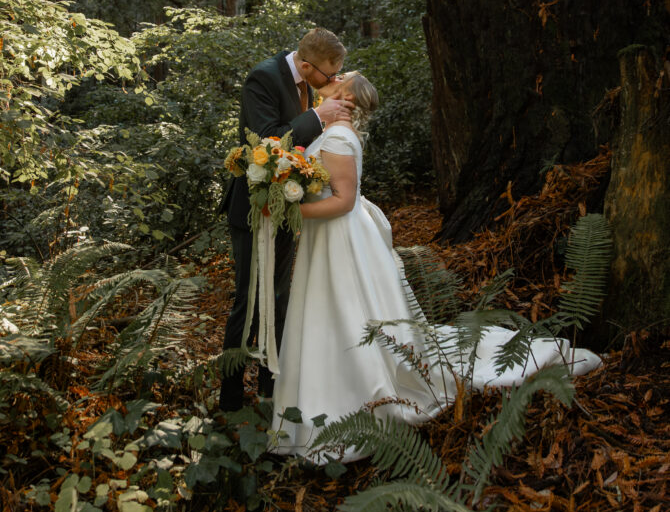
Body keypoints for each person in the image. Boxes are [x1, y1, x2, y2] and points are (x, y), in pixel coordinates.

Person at [270, 72, 601, 462]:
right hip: (330, 237)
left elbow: (342, 201)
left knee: (343, 312)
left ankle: (350, 399)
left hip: (339, 236)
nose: (335, 74)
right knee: (333, 313)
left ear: (347, 98)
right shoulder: (331, 131)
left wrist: (292, 211)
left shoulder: (339, 136)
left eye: (343, 77)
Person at [218, 27, 354, 412]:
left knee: (279, 299)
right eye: (330, 74)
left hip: (288, 207)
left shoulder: (312, 82)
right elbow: (267, 139)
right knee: (248, 303)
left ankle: (270, 387)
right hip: (254, 208)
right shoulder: (263, 78)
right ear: (307, 66)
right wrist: (318, 115)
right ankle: (230, 398)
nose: (334, 80)